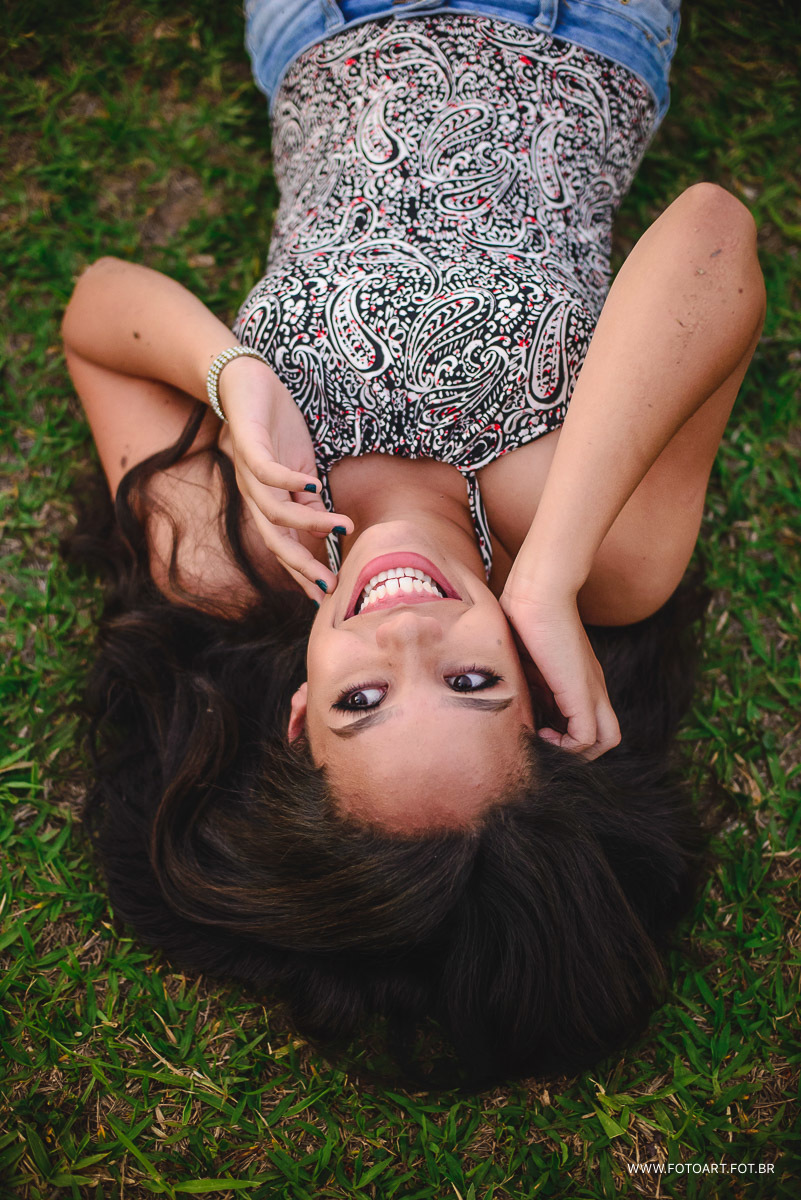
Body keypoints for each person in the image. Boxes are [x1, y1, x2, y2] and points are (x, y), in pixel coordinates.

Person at [61, 0, 765, 1084]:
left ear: (298, 717)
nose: (405, 635)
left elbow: (96, 312)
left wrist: (231, 376)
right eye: (474, 681)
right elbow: (711, 232)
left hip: (317, 27)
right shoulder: (602, 558)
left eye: (362, 700)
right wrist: (549, 575)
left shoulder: (223, 550)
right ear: (542, 698)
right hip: (583, 28)